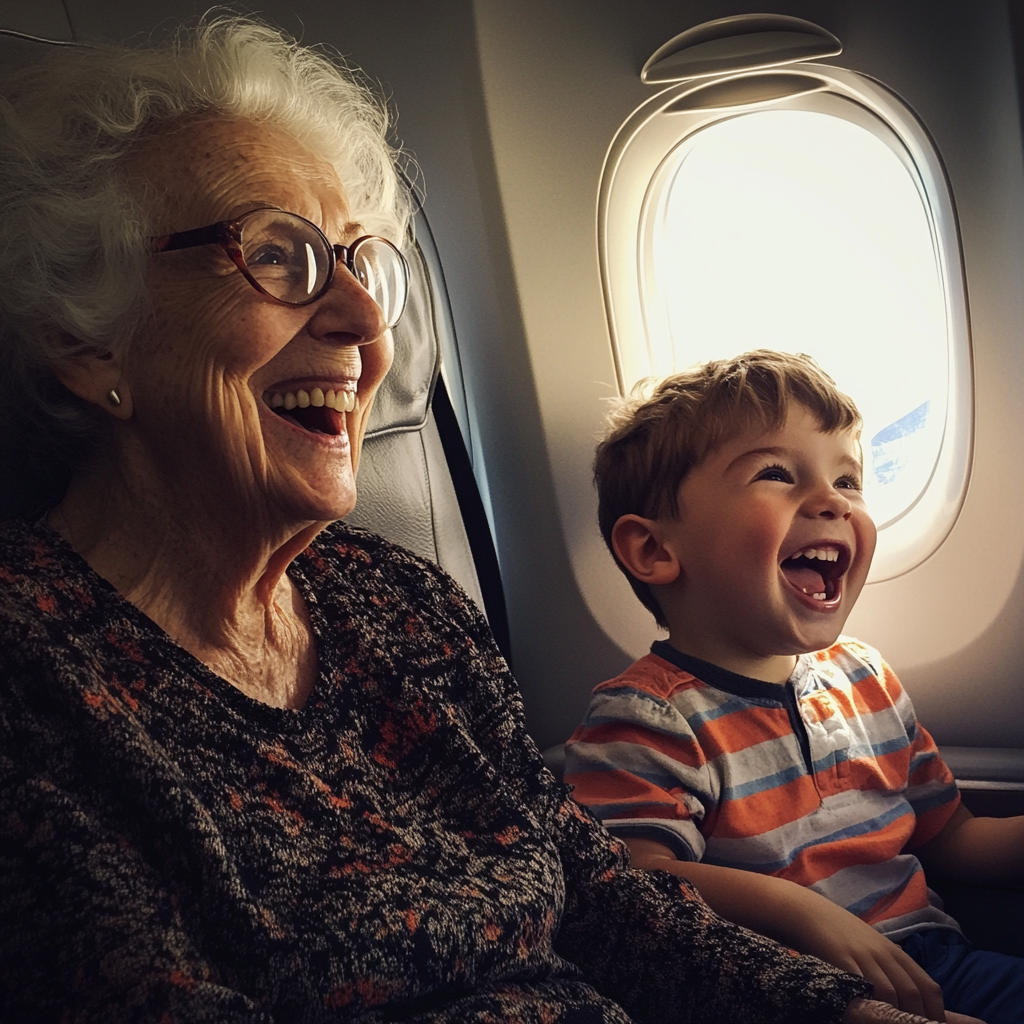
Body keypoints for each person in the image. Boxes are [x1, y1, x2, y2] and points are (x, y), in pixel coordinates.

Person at [0, 16, 970, 1024]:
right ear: (90, 342)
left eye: (358, 265)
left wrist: (844, 1012)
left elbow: (601, 902)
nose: (366, 324)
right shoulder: (31, 682)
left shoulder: (400, 604)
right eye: (277, 258)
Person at [564, 350, 1024, 1024]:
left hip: (935, 965)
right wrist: (798, 910)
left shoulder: (866, 678)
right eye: (777, 474)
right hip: (786, 994)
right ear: (655, 550)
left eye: (849, 479)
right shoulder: (647, 717)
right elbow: (626, 884)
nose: (833, 500)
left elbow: (950, 836)